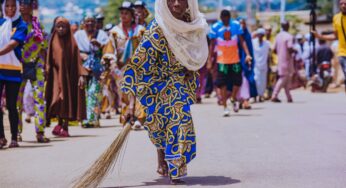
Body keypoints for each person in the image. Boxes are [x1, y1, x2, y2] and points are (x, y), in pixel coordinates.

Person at [122, 0, 208, 184]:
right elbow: (139, 66)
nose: (176, 3)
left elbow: (195, 53)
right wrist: (131, 105)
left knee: (180, 121)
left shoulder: (192, 26)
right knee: (160, 128)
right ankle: (165, 159)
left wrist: (188, 67)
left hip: (178, 86)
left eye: (181, 0)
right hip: (156, 87)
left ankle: (175, 170)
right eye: (171, 0)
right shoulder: (156, 29)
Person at [103, 1, 145, 128]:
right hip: (121, 67)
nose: (124, 16)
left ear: (132, 15)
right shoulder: (115, 31)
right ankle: (127, 117)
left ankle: (139, 117)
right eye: (122, 13)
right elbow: (110, 49)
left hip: (138, 66)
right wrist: (112, 61)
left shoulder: (140, 30)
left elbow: (145, 48)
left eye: (126, 13)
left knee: (138, 91)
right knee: (125, 93)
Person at [46, 17, 88, 137]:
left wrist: (80, 75)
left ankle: (64, 126)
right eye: (58, 26)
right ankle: (58, 123)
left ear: (67, 28)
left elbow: (77, 60)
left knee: (66, 99)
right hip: (55, 75)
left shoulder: (72, 42)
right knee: (57, 99)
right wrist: (47, 70)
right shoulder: (53, 39)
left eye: (63, 26)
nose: (60, 29)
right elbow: (49, 56)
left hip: (69, 76)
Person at [208, 10, 252, 116]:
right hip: (222, 60)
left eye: (227, 19)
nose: (225, 20)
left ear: (229, 18)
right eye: (224, 19)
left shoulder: (236, 25)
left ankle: (232, 98)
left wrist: (247, 54)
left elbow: (242, 41)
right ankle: (225, 107)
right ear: (221, 18)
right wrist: (209, 60)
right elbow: (212, 45)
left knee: (238, 82)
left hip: (235, 60)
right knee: (222, 84)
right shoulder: (215, 27)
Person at [16, 0, 49, 143]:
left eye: (27, 3)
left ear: (32, 6)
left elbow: (44, 47)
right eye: (21, 3)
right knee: (17, 101)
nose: (23, 6)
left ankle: (40, 132)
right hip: (18, 66)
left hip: (37, 65)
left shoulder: (37, 25)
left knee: (39, 99)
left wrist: (46, 65)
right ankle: (16, 132)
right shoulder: (14, 25)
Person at [0, 0, 27, 148]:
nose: (11, 9)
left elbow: (13, 44)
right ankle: (1, 137)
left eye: (14, 6)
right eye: (7, 6)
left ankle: (15, 136)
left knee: (12, 105)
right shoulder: (1, 22)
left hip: (17, 69)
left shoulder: (25, 24)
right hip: (0, 68)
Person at [74, 16, 109, 128]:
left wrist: (99, 45)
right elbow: (73, 49)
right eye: (87, 21)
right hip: (82, 65)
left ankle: (92, 119)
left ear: (96, 23)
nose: (90, 23)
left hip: (97, 66)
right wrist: (80, 55)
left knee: (94, 92)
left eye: (92, 21)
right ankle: (83, 118)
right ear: (83, 23)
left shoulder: (102, 34)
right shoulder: (78, 35)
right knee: (83, 92)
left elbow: (107, 49)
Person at [313, 0, 346, 93]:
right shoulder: (336, 18)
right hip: (343, 53)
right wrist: (320, 36)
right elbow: (335, 36)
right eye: (341, 4)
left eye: (345, 4)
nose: (343, 6)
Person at [271, 21, 296, 103]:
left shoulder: (278, 36)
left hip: (280, 60)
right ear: (288, 26)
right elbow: (290, 48)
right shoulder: (289, 36)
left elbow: (274, 49)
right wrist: (295, 50)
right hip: (287, 61)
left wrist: (280, 52)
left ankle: (289, 97)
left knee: (286, 79)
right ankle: (274, 95)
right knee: (283, 78)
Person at [238, 18, 257, 109]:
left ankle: (246, 99)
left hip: (245, 61)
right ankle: (240, 100)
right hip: (235, 60)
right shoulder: (235, 35)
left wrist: (248, 58)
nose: (242, 25)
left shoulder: (247, 35)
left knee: (246, 79)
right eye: (240, 23)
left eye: (244, 23)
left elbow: (250, 49)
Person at [253, 28, 271, 101]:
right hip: (255, 65)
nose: (260, 36)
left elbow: (269, 55)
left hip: (264, 65)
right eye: (259, 34)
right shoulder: (253, 42)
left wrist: (269, 65)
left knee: (263, 82)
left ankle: (260, 96)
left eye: (261, 35)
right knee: (256, 80)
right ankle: (254, 96)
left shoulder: (267, 43)